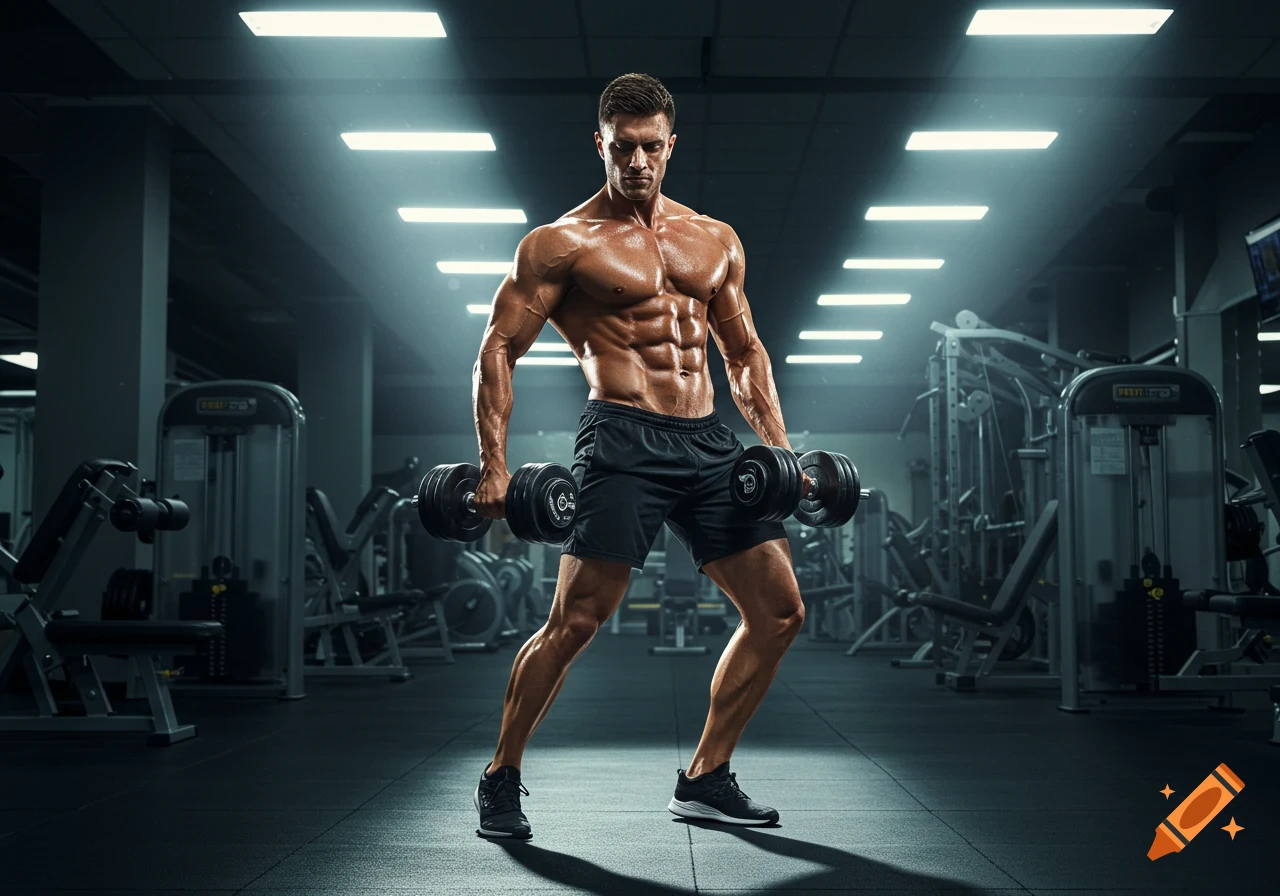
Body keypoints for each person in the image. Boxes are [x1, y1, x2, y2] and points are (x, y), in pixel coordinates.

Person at [470, 72, 807, 840]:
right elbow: (498, 349)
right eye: (623, 148)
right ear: (601, 143)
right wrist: (494, 464)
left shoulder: (714, 238)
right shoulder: (560, 243)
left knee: (780, 611)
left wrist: (780, 453)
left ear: (671, 144)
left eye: (652, 147)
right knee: (577, 621)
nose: (639, 163)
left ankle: (705, 776)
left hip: (709, 440)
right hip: (622, 436)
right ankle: (501, 774)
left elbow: (744, 352)